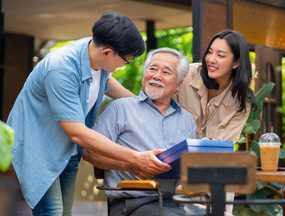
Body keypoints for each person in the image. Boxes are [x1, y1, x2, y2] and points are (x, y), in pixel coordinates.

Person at [7, 12, 171, 215]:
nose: (123, 66)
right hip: (39, 146)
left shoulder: (94, 50)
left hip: (68, 150)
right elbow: (77, 132)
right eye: (126, 61)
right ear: (107, 53)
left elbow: (107, 82)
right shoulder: (61, 69)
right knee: (53, 212)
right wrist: (136, 158)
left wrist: (143, 107)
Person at [83, 48, 195, 216]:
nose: (157, 75)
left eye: (166, 72)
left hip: (175, 203)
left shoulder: (187, 120)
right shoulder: (121, 108)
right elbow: (89, 152)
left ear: (179, 84)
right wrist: (131, 165)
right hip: (131, 203)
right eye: (152, 68)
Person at [175, 29, 256, 215]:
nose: (211, 59)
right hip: (174, 155)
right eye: (210, 52)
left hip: (208, 164)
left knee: (225, 166)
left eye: (220, 55)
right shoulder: (187, 74)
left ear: (236, 62)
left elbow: (224, 146)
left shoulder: (242, 102)